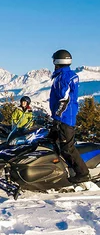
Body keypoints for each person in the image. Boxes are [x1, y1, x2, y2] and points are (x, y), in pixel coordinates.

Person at [49, 49, 90, 184]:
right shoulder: (67, 75)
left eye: (54, 60)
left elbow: (63, 99)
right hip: (65, 117)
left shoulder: (63, 77)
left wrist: (57, 115)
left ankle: (82, 173)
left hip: (64, 119)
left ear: (58, 61)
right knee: (51, 143)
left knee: (67, 147)